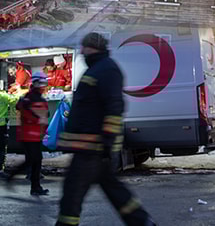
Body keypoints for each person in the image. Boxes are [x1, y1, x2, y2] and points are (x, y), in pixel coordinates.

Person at [56, 33, 154, 226]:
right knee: (115, 192)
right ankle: (142, 222)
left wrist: (107, 143)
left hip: (92, 149)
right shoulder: (97, 69)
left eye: (85, 47)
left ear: (94, 48)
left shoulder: (106, 69)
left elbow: (114, 108)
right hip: (91, 149)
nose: (82, 51)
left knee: (72, 196)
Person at [7, 72, 50, 196]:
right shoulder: (34, 99)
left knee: (35, 160)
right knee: (34, 160)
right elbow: (41, 117)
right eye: (42, 84)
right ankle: (18, 180)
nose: (44, 87)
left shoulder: (27, 98)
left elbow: (20, 108)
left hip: (31, 135)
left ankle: (35, 187)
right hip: (31, 135)